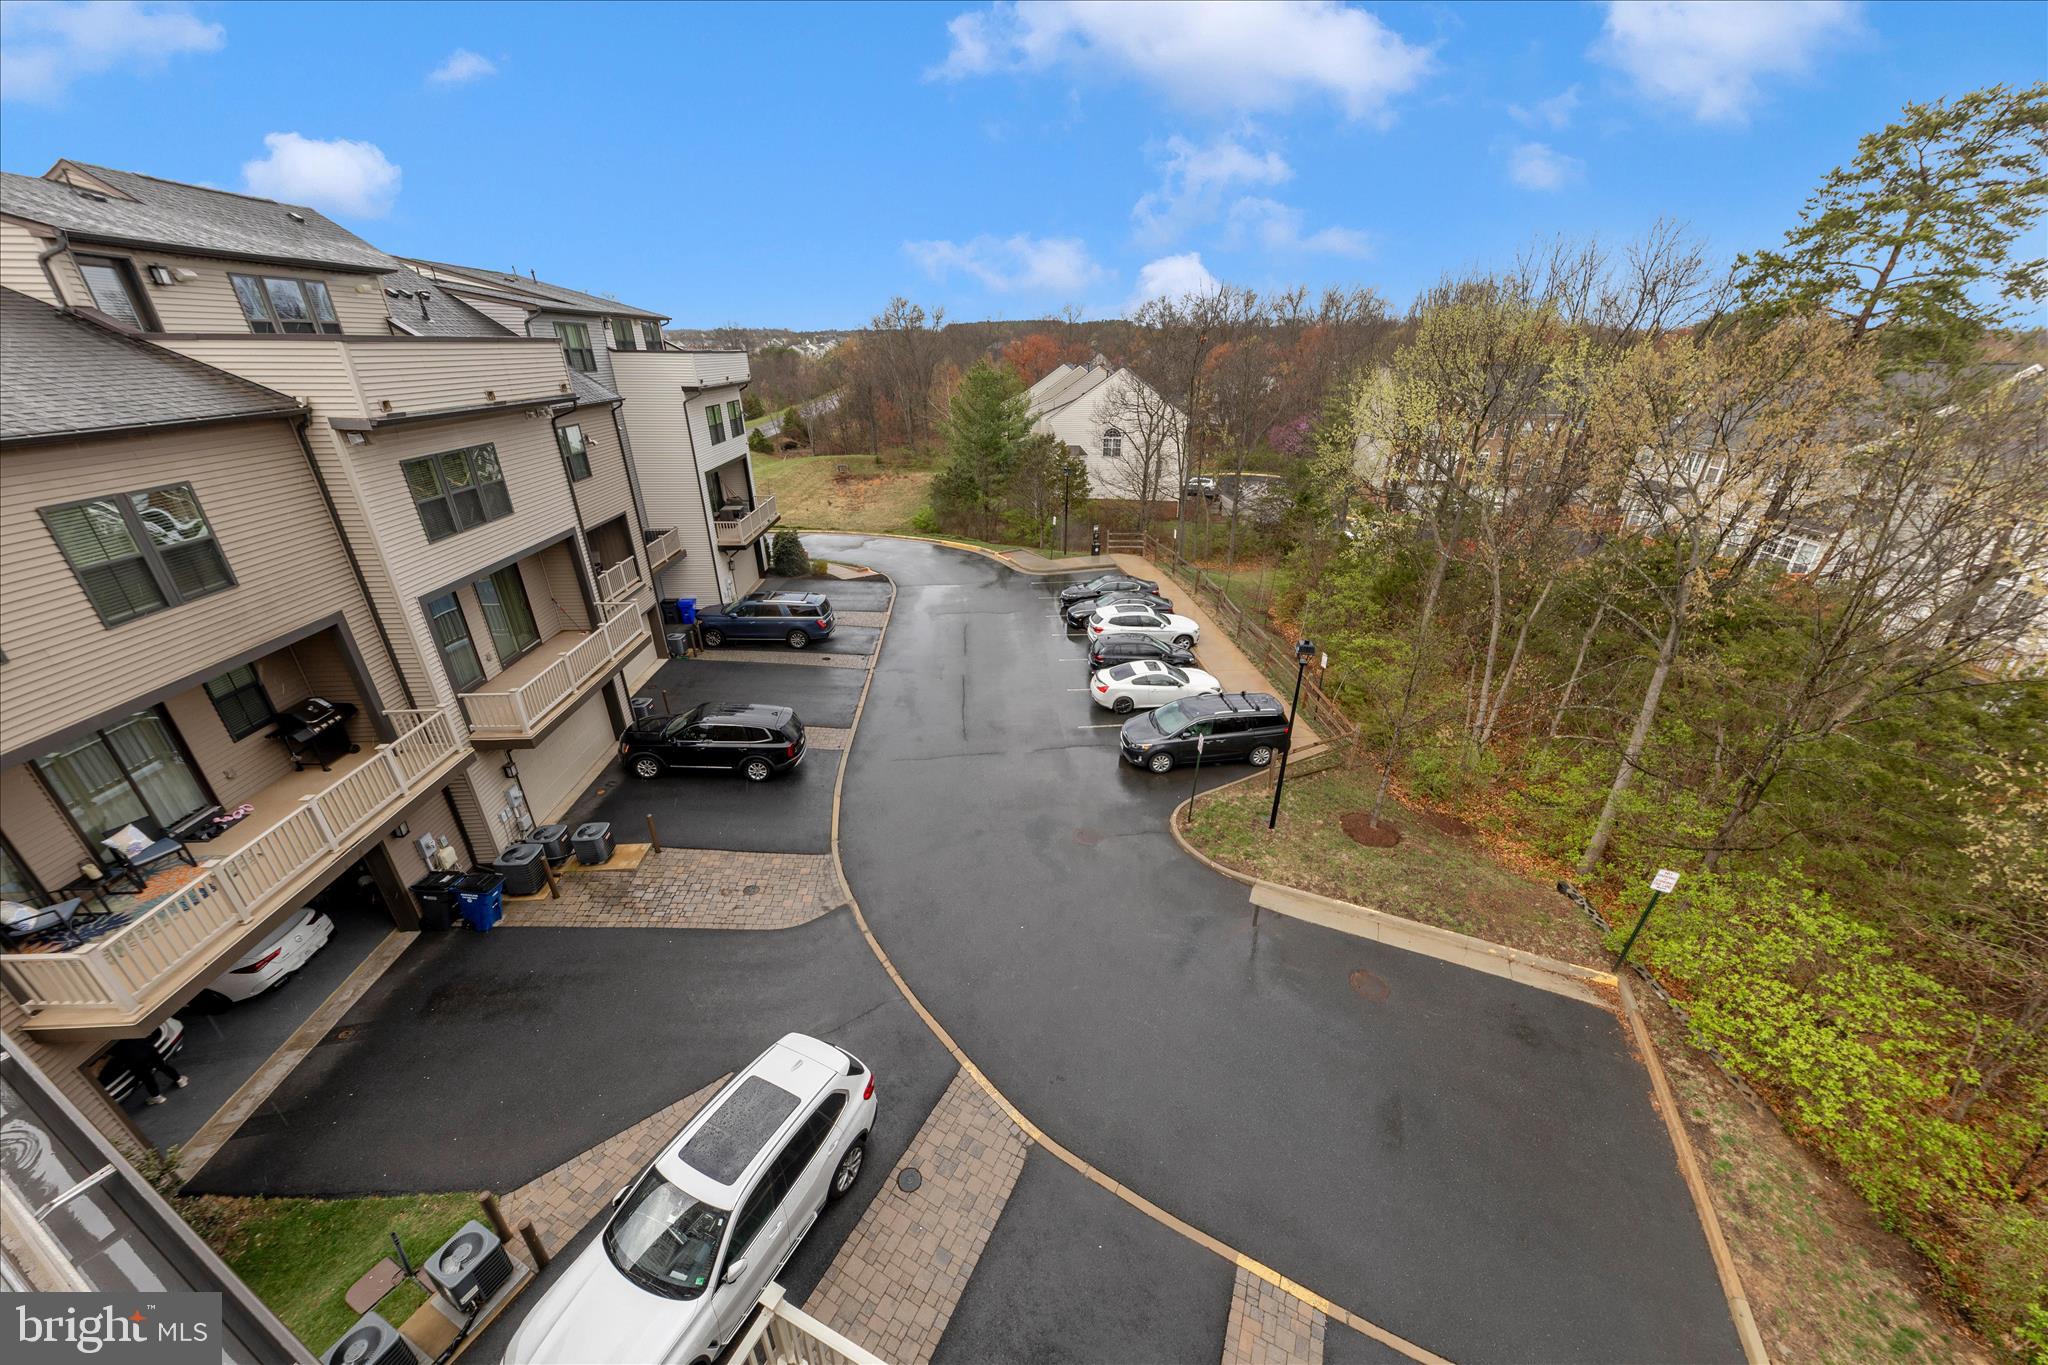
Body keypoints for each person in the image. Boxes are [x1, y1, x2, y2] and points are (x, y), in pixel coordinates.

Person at [109, 1034, 187, 1106]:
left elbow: (116, 1056)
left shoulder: (111, 1043)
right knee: (163, 1066)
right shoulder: (129, 1031)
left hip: (134, 1060)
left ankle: (157, 1097)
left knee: (147, 1078)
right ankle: (180, 1080)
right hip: (147, 1050)